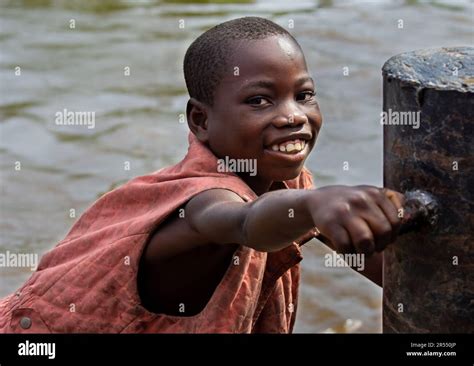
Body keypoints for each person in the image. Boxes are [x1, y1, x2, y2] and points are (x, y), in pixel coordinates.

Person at [0, 16, 403, 333]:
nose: (293, 116)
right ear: (200, 120)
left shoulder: (290, 187)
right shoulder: (200, 203)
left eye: (304, 95)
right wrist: (315, 206)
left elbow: (394, 274)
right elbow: (247, 222)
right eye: (260, 100)